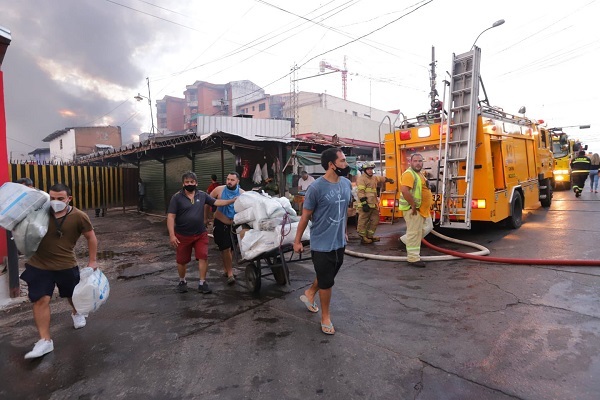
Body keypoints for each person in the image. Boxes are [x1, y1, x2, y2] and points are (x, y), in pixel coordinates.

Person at [20, 183, 98, 359]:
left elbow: (91, 237)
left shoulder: (79, 216)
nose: (55, 202)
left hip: (66, 265)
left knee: (72, 295)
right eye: (52, 198)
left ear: (69, 199)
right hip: (38, 264)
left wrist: (92, 261)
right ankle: (45, 341)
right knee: (41, 299)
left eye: (60, 199)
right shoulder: (39, 212)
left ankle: (76, 312)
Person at [293, 147, 352, 335]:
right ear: (331, 165)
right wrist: (297, 241)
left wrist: (343, 231)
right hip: (321, 243)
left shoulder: (345, 184)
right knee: (327, 282)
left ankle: (310, 293)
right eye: (342, 161)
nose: (346, 164)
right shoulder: (316, 188)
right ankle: (325, 317)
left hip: (339, 242)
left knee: (328, 275)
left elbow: (343, 211)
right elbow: (305, 217)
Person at [167, 171, 236, 294]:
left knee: (203, 257)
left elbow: (216, 202)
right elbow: (171, 217)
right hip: (182, 235)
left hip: (200, 234)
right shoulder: (176, 197)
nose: (189, 184)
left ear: (196, 183)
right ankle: (182, 281)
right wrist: (172, 235)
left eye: (192, 182)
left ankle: (202, 282)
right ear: (183, 184)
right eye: (187, 182)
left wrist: (231, 201)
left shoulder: (202, 195)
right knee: (182, 260)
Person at [209, 172, 245, 285]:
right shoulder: (219, 190)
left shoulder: (242, 193)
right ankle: (230, 273)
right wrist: (206, 217)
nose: (229, 181)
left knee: (232, 249)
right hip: (221, 223)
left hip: (234, 224)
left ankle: (226, 269)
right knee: (225, 248)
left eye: (232, 180)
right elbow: (206, 201)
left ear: (238, 181)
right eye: (228, 179)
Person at [399, 153, 433, 268]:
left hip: (422, 209)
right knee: (414, 233)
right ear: (411, 162)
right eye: (415, 161)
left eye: (420, 161)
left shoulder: (419, 174)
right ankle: (413, 258)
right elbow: (404, 190)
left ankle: (405, 240)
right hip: (414, 210)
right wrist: (413, 205)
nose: (418, 163)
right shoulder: (409, 174)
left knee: (428, 227)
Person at [356, 161, 394, 244]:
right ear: (364, 170)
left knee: (375, 220)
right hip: (365, 205)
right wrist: (364, 204)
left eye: (371, 169)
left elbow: (381, 178)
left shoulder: (374, 178)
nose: (370, 171)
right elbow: (360, 192)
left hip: (373, 204)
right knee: (363, 221)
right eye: (368, 169)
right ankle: (363, 237)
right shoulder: (361, 179)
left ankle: (370, 236)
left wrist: (389, 180)